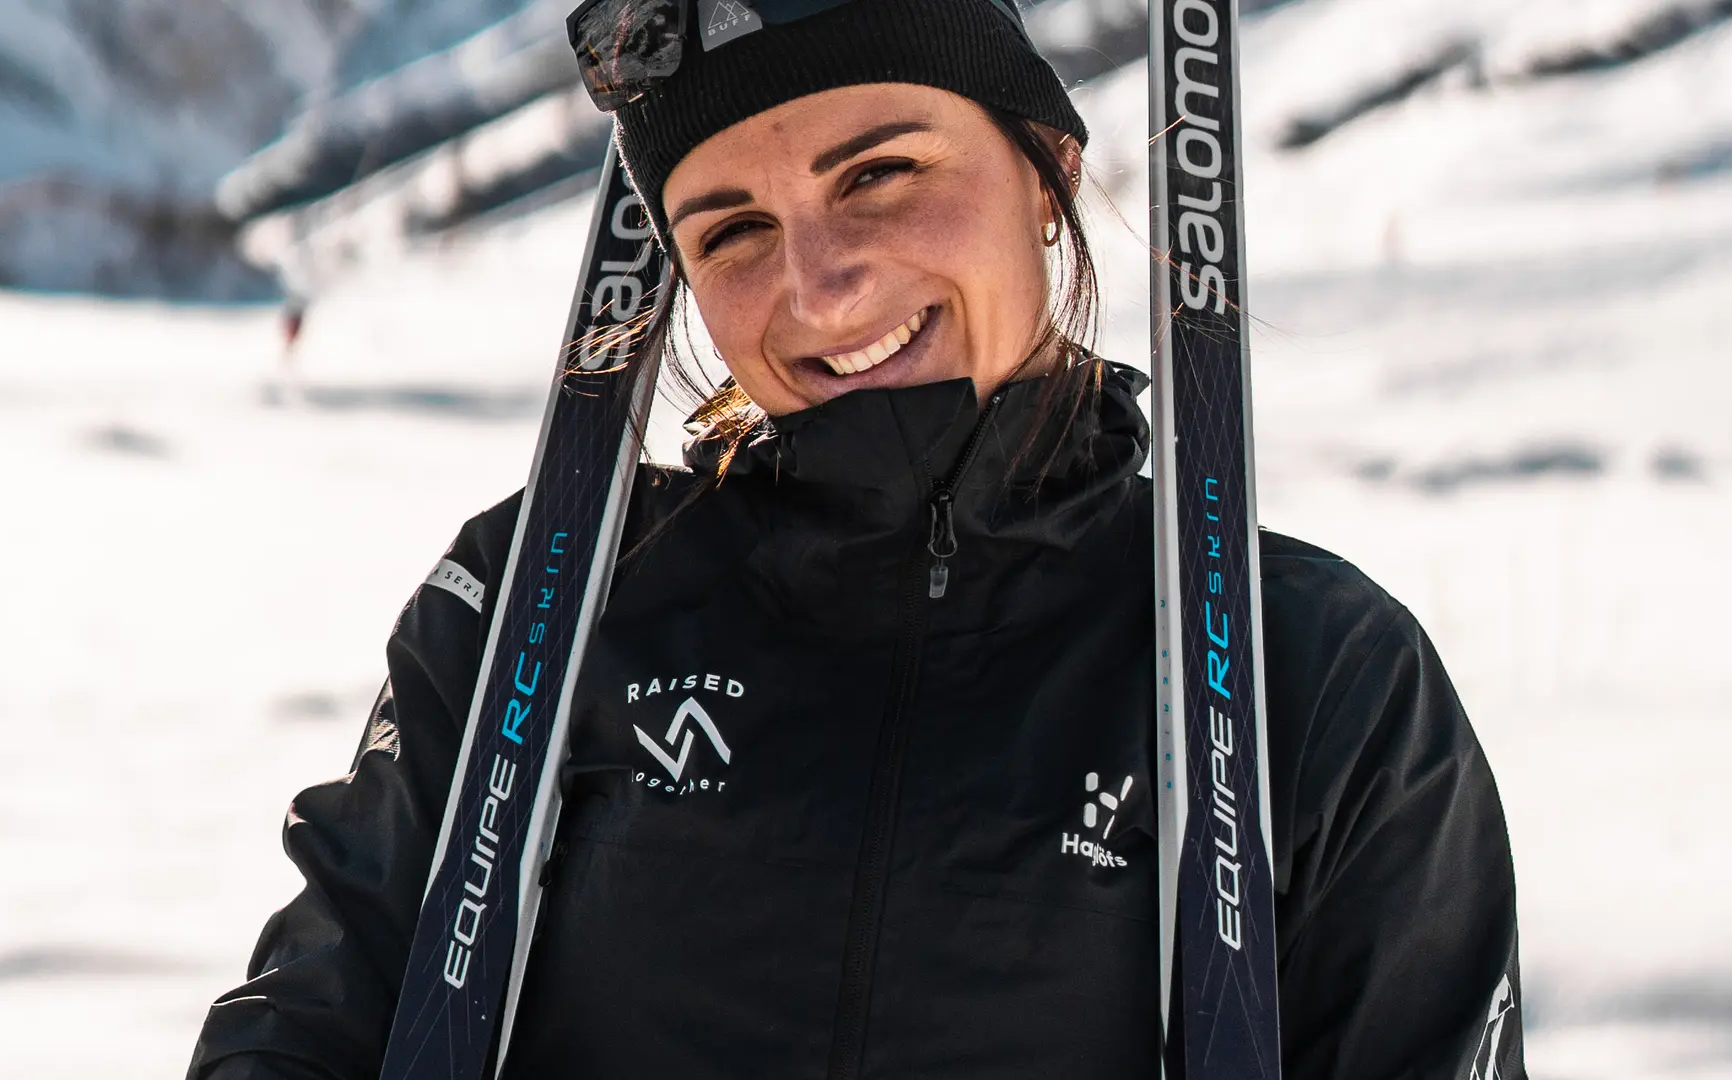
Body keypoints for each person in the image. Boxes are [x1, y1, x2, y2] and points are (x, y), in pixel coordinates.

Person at [188, 0, 1526, 1077]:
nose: (817, 285)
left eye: (880, 171)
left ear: (1047, 169)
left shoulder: (1312, 673)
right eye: (732, 229)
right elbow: (313, 1019)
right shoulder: (541, 607)